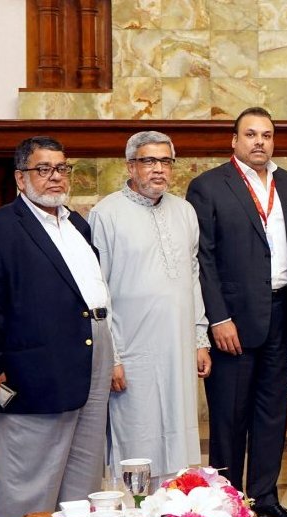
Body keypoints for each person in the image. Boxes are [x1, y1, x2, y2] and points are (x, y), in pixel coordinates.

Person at [0, 136, 112, 517]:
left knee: (83, 485)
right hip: (33, 371)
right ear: (20, 177)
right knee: (30, 488)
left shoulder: (77, 224)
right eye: (43, 169)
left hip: (92, 355)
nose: (55, 177)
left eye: (61, 168)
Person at [186, 107, 287, 517]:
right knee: (229, 417)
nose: (259, 142)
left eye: (266, 135)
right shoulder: (208, 186)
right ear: (234, 141)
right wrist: (218, 318)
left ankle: (265, 497)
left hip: (280, 312)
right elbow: (202, 258)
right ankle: (227, 501)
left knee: (272, 413)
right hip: (233, 319)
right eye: (250, 134)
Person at [89, 131, 211, 488]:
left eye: (165, 161)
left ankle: (173, 504)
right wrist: (111, 357)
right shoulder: (106, 214)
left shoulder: (185, 211)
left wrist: (199, 338)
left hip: (178, 347)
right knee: (137, 433)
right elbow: (98, 292)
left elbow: (193, 277)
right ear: (131, 166)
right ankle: (136, 508)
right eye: (149, 161)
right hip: (132, 349)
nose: (159, 169)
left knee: (179, 432)